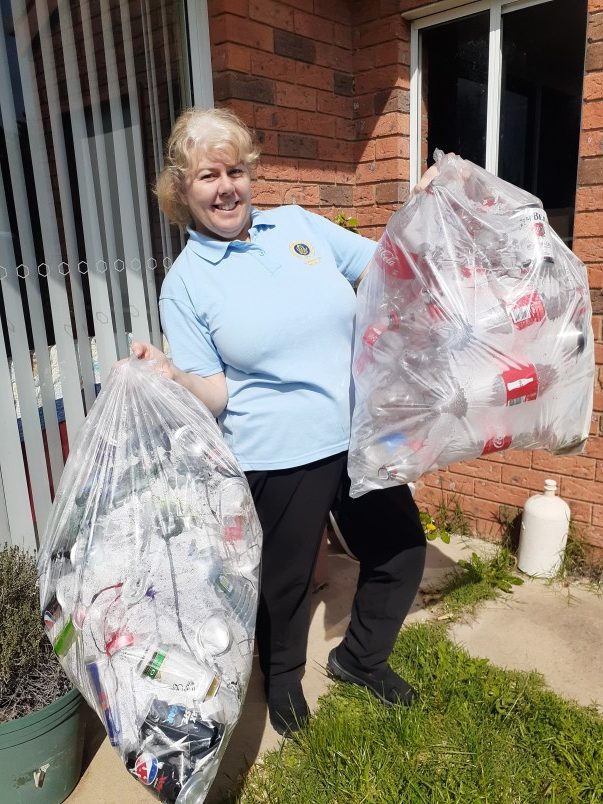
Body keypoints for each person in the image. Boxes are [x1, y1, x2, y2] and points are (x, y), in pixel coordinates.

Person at [132, 107, 430, 736]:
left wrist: (423, 214)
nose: (226, 187)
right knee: (284, 585)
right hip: (276, 455)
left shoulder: (296, 226)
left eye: (235, 170)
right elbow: (211, 392)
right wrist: (171, 374)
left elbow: (381, 264)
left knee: (401, 550)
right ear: (182, 191)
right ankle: (285, 681)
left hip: (356, 435)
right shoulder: (185, 284)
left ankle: (360, 659)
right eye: (208, 175)